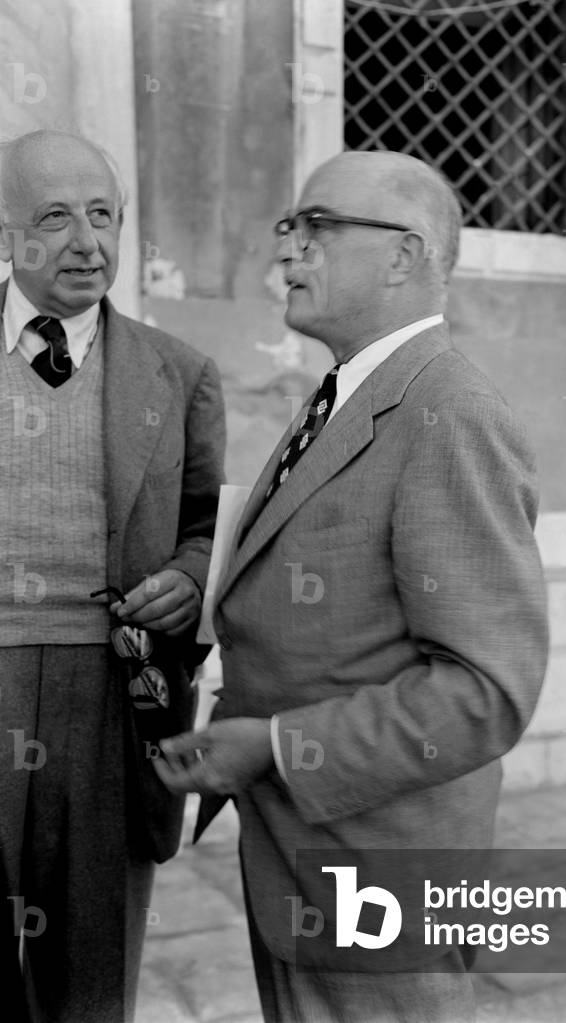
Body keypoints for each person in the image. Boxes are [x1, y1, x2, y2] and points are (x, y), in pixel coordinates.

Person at [156, 150, 548, 1022]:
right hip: (300, 857)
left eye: (317, 227)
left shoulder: (450, 413)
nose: (287, 252)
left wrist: (281, 746)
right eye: (289, 227)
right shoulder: (346, 394)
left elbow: (486, 694)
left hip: (379, 874)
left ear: (404, 256)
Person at [0, 129, 226, 1022]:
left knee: (92, 973)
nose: (86, 244)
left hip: (114, 687)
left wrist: (189, 573)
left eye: (103, 216)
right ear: (4, 234)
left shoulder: (179, 373)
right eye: (53, 218)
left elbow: (214, 527)